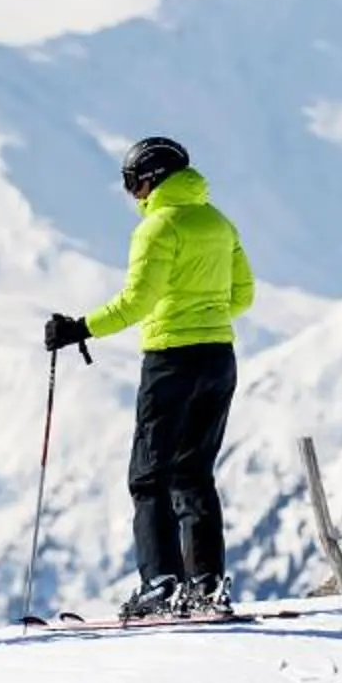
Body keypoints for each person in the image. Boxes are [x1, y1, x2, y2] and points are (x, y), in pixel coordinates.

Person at [46, 136, 253, 620]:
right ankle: (205, 586)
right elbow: (242, 295)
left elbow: (136, 302)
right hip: (219, 357)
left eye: (131, 182)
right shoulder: (219, 223)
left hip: (170, 361)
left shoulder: (158, 228)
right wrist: (204, 311)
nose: (132, 194)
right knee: (195, 474)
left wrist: (79, 328)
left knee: (149, 477)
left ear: (151, 179)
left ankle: (159, 584)